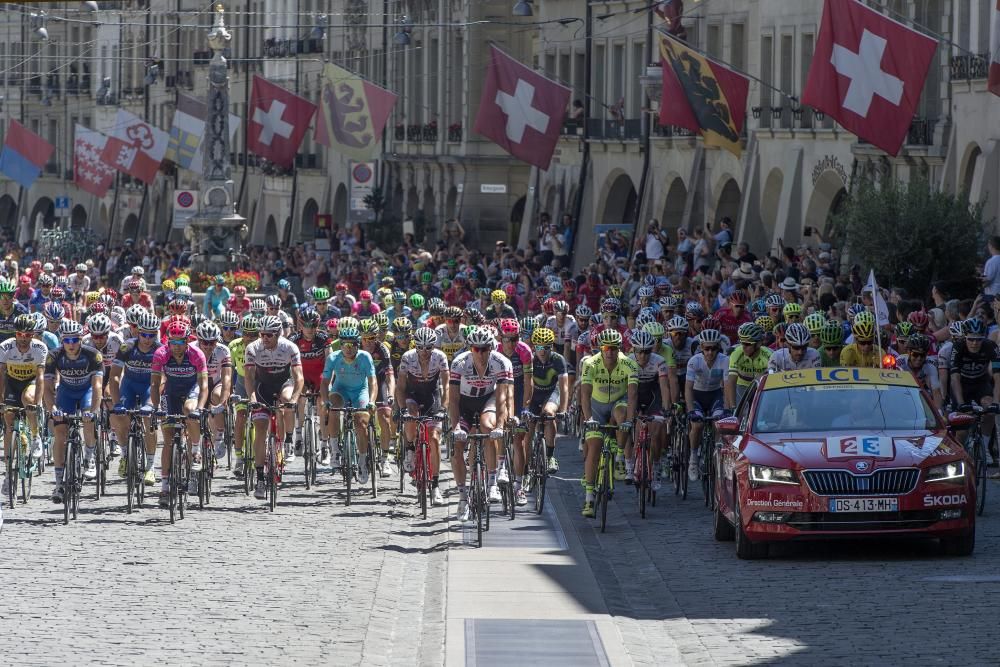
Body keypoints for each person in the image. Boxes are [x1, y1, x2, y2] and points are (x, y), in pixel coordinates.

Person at [448, 326, 512, 521]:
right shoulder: (460, 363)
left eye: (485, 349)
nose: (481, 353)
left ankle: (492, 484)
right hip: (465, 405)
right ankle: (462, 497)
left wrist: (500, 426)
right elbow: (453, 400)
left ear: (491, 348)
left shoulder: (500, 362)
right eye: (477, 349)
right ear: (470, 349)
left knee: (488, 426)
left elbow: (502, 398)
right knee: (456, 447)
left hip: (488, 401)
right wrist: (456, 427)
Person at [244, 315, 304, 499]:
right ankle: (260, 478)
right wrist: (252, 397)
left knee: (286, 400)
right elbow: (249, 377)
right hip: (262, 386)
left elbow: (298, 377)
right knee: (261, 429)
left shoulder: (290, 347)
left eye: (269, 334)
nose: (265, 338)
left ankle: (287, 440)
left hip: (284, 384)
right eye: (262, 334)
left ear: (278, 334)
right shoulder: (253, 348)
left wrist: (294, 399)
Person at [580, 328, 638, 517]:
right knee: (594, 446)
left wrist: (629, 422)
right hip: (596, 407)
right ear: (600, 348)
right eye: (606, 347)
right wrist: (588, 419)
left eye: (614, 348)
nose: (610, 352)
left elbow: (632, 395)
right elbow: (585, 395)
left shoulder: (629, 364)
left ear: (619, 348)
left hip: (617, 404)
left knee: (622, 413)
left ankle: (620, 456)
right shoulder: (590, 363)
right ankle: (589, 498)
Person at [396, 326, 449, 507]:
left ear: (434, 346)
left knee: (434, 439)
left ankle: (435, 486)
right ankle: (410, 449)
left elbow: (447, 386)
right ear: (415, 346)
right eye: (421, 347)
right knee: (410, 415)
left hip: (432, 396)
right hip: (413, 394)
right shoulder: (407, 358)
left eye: (429, 347)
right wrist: (402, 408)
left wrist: (444, 408)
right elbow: (401, 387)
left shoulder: (440, 357)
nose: (425, 352)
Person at [321, 324, 377, 485]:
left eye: (352, 344)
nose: (348, 348)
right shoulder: (333, 358)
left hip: (360, 391)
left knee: (361, 422)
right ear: (340, 344)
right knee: (333, 408)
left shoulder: (365, 357)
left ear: (357, 344)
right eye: (345, 344)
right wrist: (325, 401)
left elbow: (373, 382)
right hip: (341, 390)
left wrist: (372, 401)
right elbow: (324, 383)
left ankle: (362, 461)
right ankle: (335, 451)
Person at [684, 328, 728, 482]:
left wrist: (728, 408)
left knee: (719, 424)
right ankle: (693, 458)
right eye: (706, 348)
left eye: (714, 348)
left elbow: (728, 386)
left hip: (715, 395)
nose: (710, 352)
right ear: (701, 347)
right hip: (697, 395)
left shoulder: (724, 360)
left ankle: (717, 455)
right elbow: (688, 388)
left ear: (719, 347)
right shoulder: (694, 361)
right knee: (697, 425)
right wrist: (691, 411)